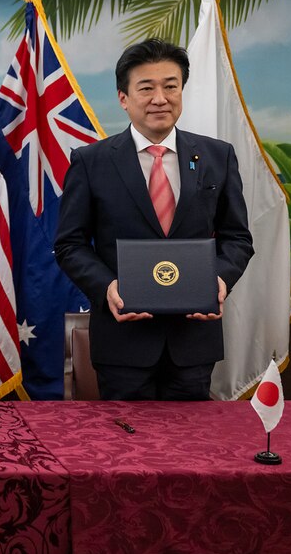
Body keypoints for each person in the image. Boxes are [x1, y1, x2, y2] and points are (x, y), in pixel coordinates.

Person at [54, 38, 253, 400]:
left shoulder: (216, 156)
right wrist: (107, 288)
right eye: (146, 87)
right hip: (122, 342)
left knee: (189, 447)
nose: (159, 98)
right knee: (126, 450)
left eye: (170, 86)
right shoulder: (91, 162)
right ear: (123, 98)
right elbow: (70, 244)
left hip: (193, 341)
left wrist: (220, 281)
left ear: (182, 91)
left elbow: (237, 238)